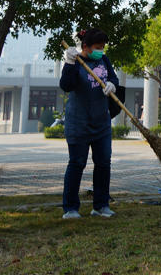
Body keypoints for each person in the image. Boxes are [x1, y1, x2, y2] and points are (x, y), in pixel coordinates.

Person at [60, 28, 119, 220]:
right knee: (77, 163)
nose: (101, 50)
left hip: (101, 122)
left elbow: (113, 77)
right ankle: (70, 208)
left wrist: (112, 84)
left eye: (103, 47)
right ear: (85, 46)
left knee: (103, 164)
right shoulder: (75, 61)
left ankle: (101, 205)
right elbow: (66, 85)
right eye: (97, 47)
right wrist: (68, 63)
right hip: (79, 123)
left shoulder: (103, 60)